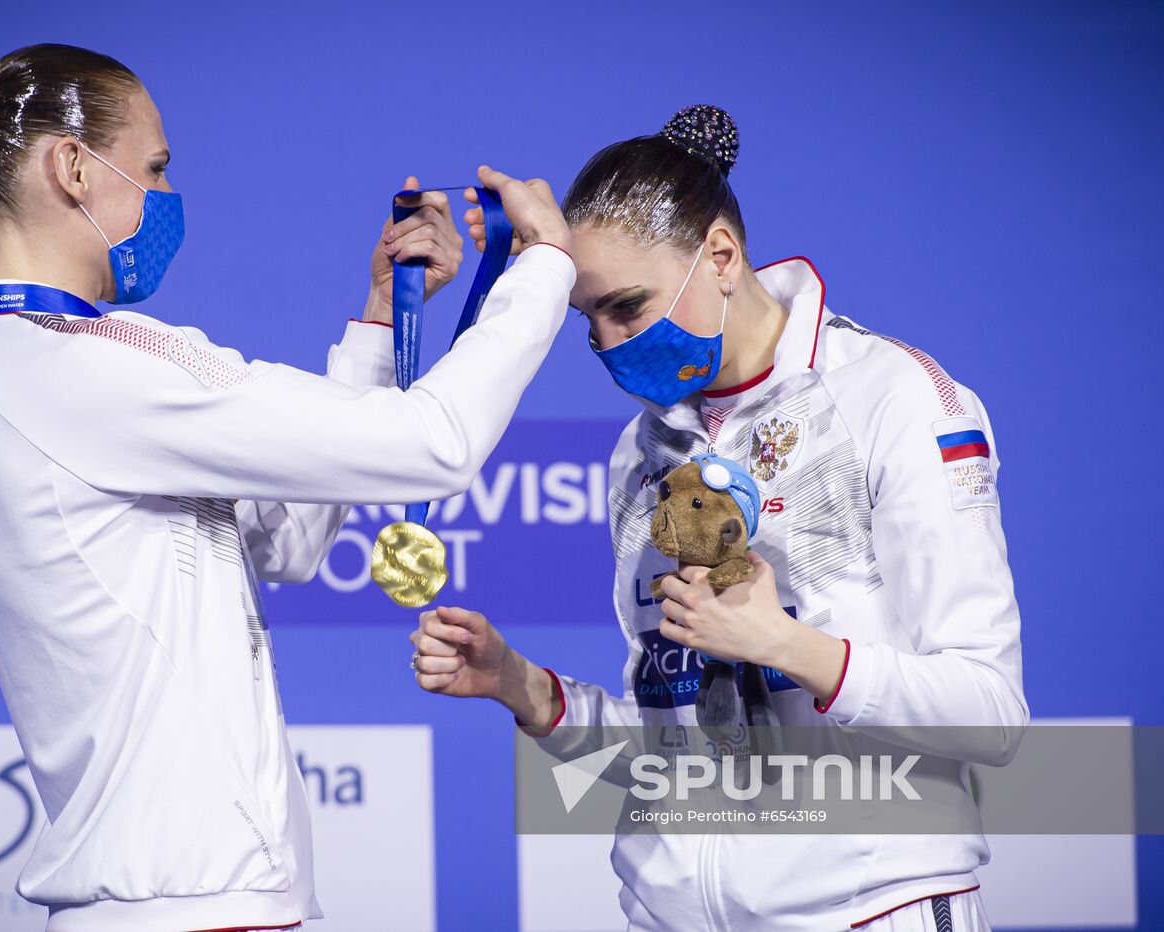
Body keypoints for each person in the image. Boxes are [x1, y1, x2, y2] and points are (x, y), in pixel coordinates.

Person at [0, 44, 574, 932]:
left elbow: (286, 545)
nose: (166, 195)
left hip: (153, 898)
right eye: (153, 169)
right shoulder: (83, 368)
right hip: (195, 904)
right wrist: (541, 269)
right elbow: (436, 444)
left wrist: (381, 320)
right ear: (73, 167)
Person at [411, 104, 1027, 930]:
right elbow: (680, 748)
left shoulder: (897, 399)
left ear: (723, 257)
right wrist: (528, 690)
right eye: (586, 321)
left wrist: (787, 646)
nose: (607, 343)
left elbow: (989, 716)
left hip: (868, 909)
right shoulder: (640, 454)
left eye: (627, 307)